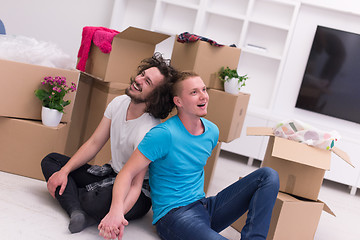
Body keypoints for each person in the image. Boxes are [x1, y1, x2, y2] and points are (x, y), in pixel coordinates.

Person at [98, 72, 280, 240]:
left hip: (204, 207)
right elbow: (127, 173)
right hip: (173, 216)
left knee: (268, 175)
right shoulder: (163, 134)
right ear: (178, 101)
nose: (203, 96)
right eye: (194, 92)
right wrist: (116, 211)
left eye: (204, 90)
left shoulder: (212, 131)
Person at [41, 53, 178, 234]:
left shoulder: (149, 130)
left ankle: (78, 205)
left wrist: (117, 213)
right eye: (142, 74)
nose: (138, 79)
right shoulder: (118, 102)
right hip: (110, 172)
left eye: (148, 82)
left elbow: (136, 185)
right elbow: (94, 143)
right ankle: (77, 211)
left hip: (135, 193)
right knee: (52, 162)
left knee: (95, 200)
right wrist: (65, 171)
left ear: (155, 97)